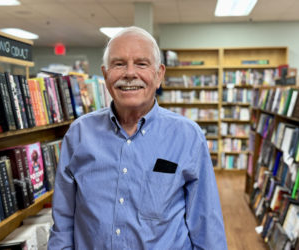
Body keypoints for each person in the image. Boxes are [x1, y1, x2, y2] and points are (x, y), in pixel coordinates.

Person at [48, 26, 227, 250]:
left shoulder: (188, 137)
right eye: (119, 64)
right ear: (105, 74)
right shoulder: (78, 135)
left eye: (141, 64)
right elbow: (63, 223)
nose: (129, 73)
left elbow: (206, 226)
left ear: (159, 74)